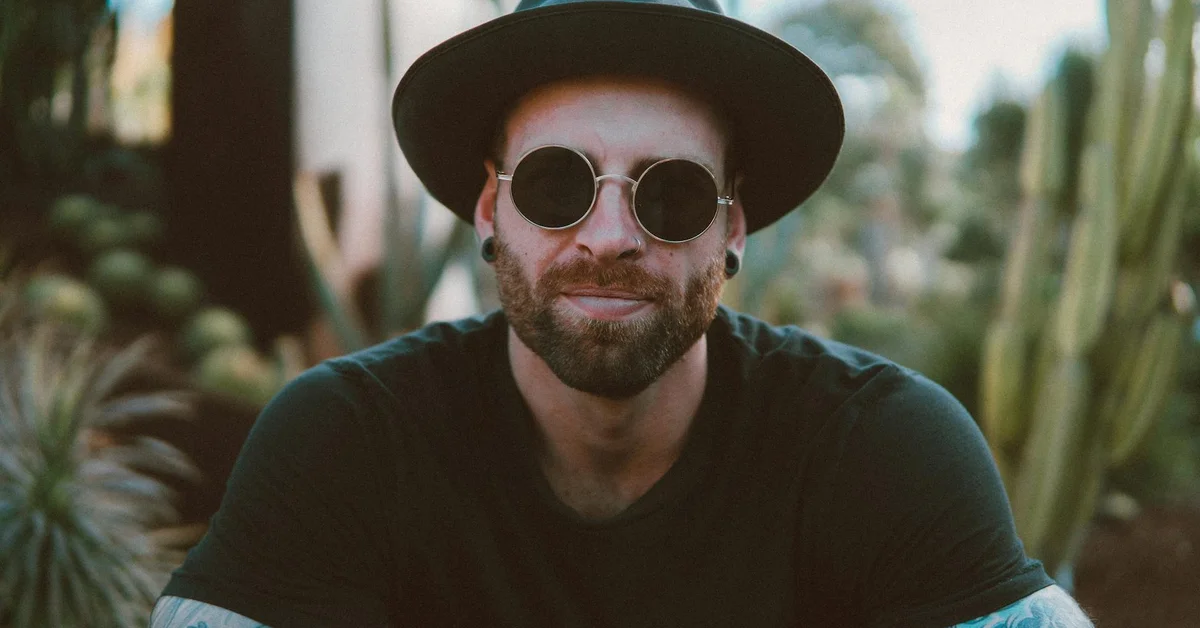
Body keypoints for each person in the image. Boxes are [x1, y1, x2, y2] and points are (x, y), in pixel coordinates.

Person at [151, 1, 1094, 626]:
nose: (606, 236)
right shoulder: (347, 444)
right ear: (490, 211)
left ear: (732, 228)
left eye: (670, 193)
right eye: (557, 183)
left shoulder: (879, 448)